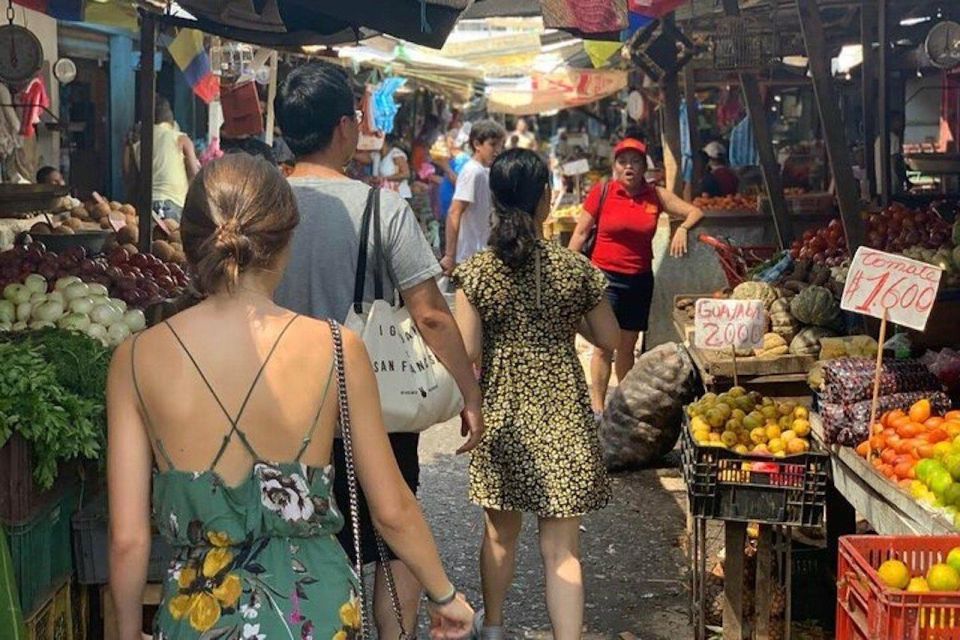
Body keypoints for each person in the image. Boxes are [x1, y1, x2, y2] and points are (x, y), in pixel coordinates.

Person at [106, 153, 475, 640]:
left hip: (199, 616)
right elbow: (392, 508)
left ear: (191, 242)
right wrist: (446, 596)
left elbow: (129, 539)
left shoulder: (135, 359)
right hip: (315, 611)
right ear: (286, 244)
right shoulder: (339, 348)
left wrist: (128, 632)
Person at [272, 62, 485, 639]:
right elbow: (432, 315)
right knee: (393, 540)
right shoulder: (380, 209)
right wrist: (470, 392)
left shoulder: (262, 208)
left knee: (299, 533)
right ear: (346, 126)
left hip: (279, 408)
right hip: (373, 406)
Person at [452, 149, 619, 640]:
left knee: (500, 536)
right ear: (547, 198)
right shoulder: (575, 269)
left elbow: (467, 350)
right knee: (562, 550)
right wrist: (572, 317)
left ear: (497, 200)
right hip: (564, 413)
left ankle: (496, 628)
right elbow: (609, 340)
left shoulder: (478, 272)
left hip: (503, 413)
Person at [568, 137, 704, 415]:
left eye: (635, 161)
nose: (629, 166)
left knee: (628, 346)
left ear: (645, 166)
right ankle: (597, 409)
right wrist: (567, 268)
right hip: (603, 278)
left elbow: (695, 212)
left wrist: (683, 228)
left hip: (639, 280)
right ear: (615, 166)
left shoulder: (656, 195)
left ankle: (622, 406)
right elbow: (581, 233)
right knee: (604, 346)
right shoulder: (602, 191)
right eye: (623, 161)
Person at [441, 120, 506, 275]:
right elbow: (455, 212)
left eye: (500, 146)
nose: (497, 150)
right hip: (471, 257)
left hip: (485, 254)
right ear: (477, 144)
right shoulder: (472, 172)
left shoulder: (486, 171)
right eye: (492, 145)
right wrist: (450, 256)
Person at [133, 97, 200, 221]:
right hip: (172, 204)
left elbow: (128, 176)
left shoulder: (138, 143)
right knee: (172, 240)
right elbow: (195, 175)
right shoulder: (181, 138)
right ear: (171, 121)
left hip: (145, 205)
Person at [875, 111, 910, 194]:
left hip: (880, 185)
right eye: (899, 121)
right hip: (892, 185)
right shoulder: (894, 139)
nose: (902, 124)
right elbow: (896, 163)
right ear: (892, 122)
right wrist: (906, 181)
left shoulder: (878, 139)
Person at [378, 133, 413, 200]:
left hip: (400, 195)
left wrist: (384, 178)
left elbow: (406, 174)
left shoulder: (396, 154)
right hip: (389, 195)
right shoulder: (378, 154)